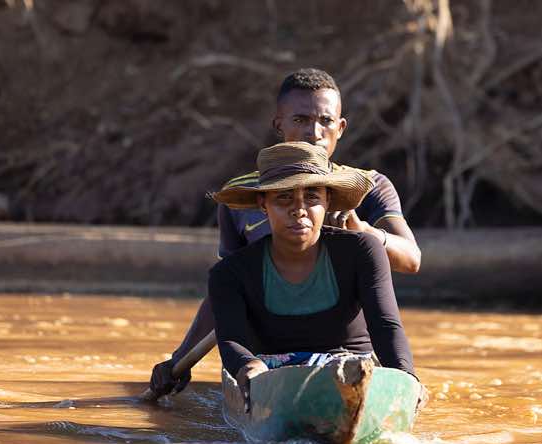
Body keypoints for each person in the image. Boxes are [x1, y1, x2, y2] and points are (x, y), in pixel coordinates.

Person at [150, 68, 421, 396]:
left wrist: (362, 231)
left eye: (325, 121)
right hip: (269, 356)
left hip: (347, 347)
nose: (315, 132)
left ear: (341, 127)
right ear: (279, 124)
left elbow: (411, 260)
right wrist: (181, 359)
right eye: (302, 120)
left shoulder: (370, 189)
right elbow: (225, 295)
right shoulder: (243, 198)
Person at [209, 141, 416, 389]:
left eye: (311, 197)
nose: (299, 210)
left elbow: (386, 326)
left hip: (353, 368)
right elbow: (232, 340)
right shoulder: (229, 274)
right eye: (284, 197)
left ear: (328, 200)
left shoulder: (363, 251)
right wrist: (248, 367)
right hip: (272, 374)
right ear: (263, 204)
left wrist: (405, 379)